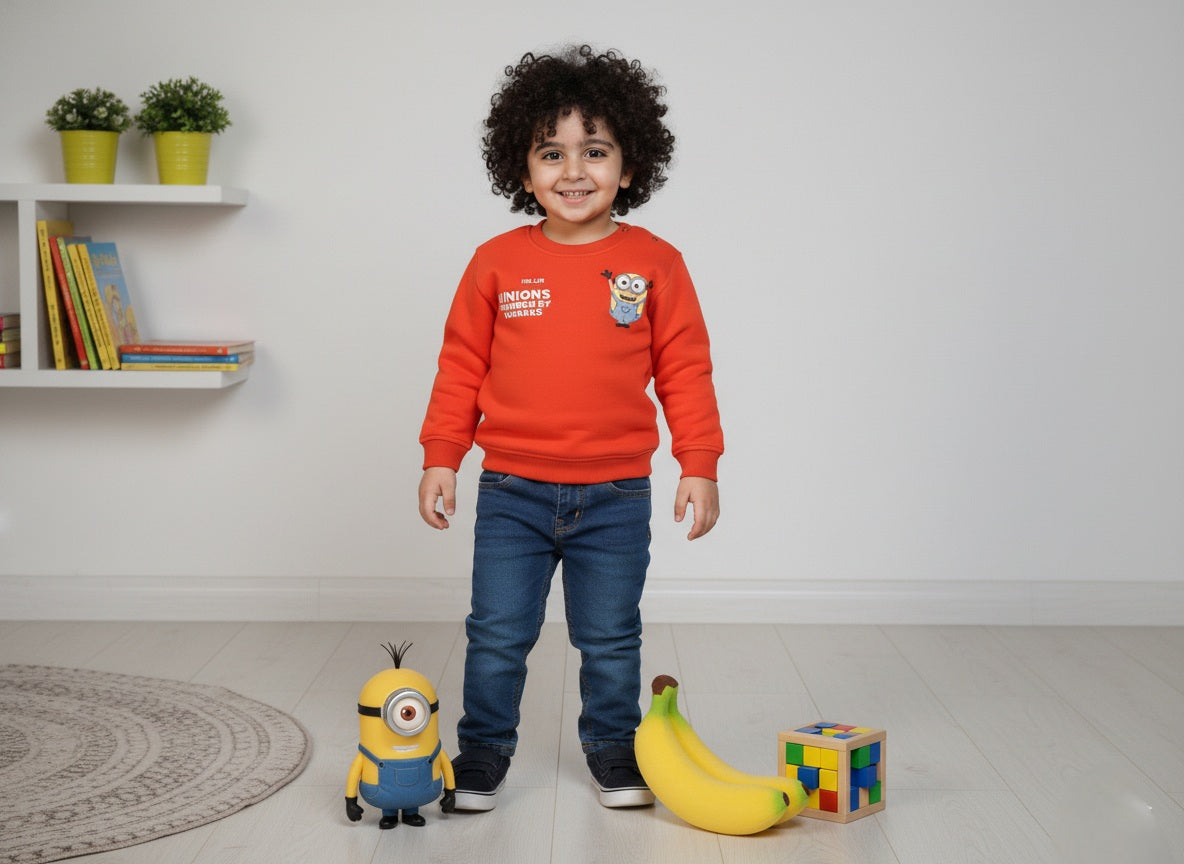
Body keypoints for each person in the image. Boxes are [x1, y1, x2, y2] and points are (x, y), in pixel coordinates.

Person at [417, 44, 724, 812]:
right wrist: (442, 455)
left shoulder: (656, 263)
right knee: (496, 632)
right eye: (551, 153)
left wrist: (700, 462)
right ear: (522, 172)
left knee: (612, 638)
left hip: (615, 496)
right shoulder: (494, 264)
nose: (574, 170)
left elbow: (685, 369)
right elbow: (459, 368)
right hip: (513, 491)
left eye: (595, 150)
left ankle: (615, 751)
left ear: (629, 164)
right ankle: (484, 751)